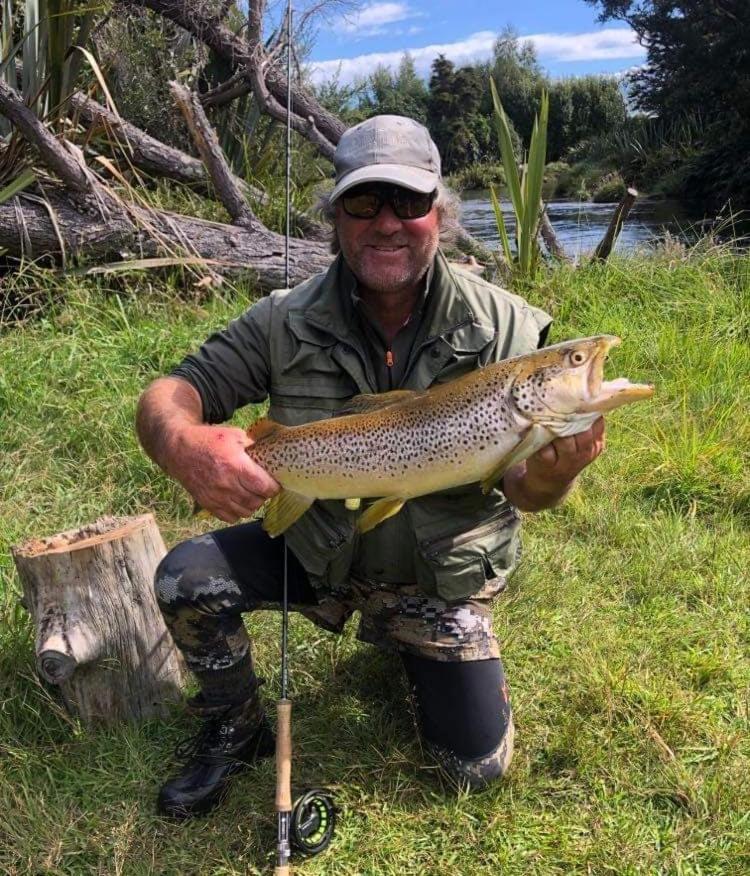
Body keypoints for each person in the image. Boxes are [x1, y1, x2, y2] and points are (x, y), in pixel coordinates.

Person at [136, 114, 605, 819]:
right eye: (364, 203)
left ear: (439, 215)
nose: (388, 223)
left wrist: (553, 475)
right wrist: (181, 442)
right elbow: (172, 393)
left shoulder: (509, 330)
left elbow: (523, 490)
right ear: (336, 217)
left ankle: (404, 639)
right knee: (184, 576)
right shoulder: (280, 318)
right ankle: (234, 724)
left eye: (409, 203)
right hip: (314, 551)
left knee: (473, 770)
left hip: (434, 576)